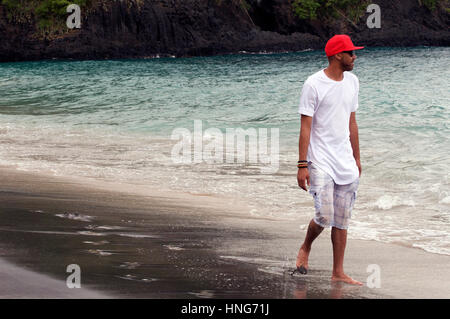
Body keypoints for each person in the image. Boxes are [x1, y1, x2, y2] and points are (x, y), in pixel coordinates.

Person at [294, 34, 364, 285]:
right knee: (324, 215)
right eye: (351, 53)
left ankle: (338, 271)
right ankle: (305, 247)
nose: (355, 57)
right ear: (337, 55)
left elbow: (352, 122)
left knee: (342, 219)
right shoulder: (313, 84)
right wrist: (302, 165)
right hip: (320, 159)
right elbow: (305, 127)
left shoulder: (353, 81)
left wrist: (357, 157)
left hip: (345, 160)